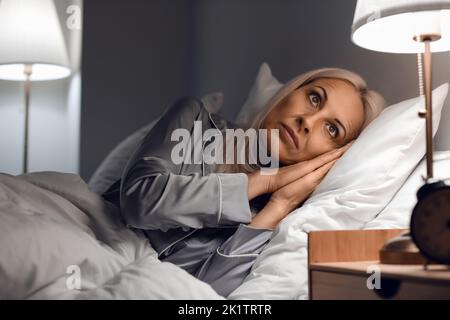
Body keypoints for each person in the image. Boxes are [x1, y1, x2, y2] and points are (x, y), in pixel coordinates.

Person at [102, 67, 385, 297]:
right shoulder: (194, 120)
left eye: (332, 129)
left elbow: (206, 294)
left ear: (329, 157)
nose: (308, 121)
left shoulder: (279, 224)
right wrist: (263, 181)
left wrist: (278, 204)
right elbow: (139, 200)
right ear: (291, 91)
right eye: (314, 98)